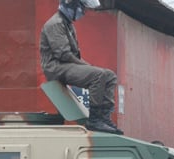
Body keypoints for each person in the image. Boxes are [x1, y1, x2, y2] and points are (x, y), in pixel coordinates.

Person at [40, 0, 123, 134]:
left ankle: (104, 118)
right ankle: (95, 120)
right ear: (71, 5)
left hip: (66, 65)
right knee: (98, 75)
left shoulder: (67, 24)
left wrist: (88, 66)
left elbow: (73, 56)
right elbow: (64, 54)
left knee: (110, 75)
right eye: (82, 8)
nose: (83, 12)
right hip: (56, 68)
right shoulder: (55, 24)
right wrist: (87, 66)